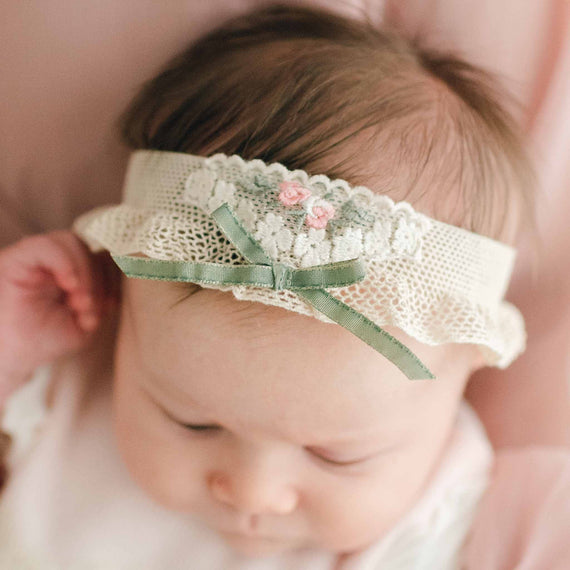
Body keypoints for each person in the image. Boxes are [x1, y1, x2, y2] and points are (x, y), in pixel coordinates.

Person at [0, 5, 568, 569]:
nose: (253, 493)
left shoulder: (463, 513)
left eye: (335, 456)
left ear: (468, 362)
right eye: (192, 423)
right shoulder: (72, 395)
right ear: (127, 306)